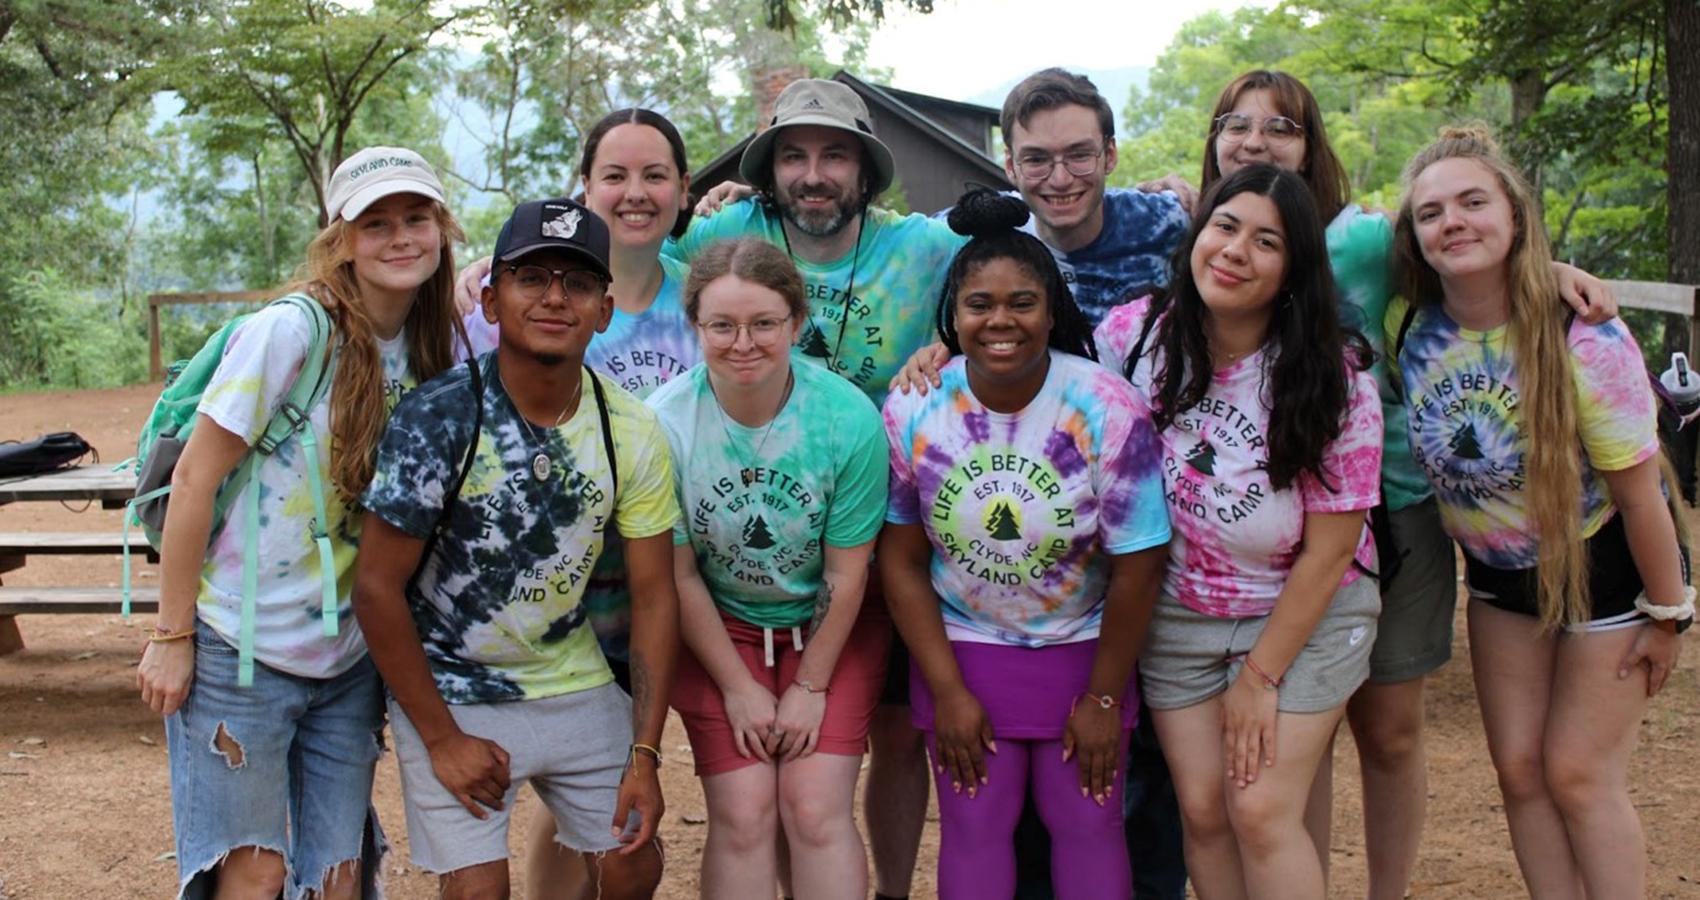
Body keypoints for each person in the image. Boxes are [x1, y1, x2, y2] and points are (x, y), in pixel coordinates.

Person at [1193, 69, 1624, 899]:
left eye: (1281, 126)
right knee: (1290, 741)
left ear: (1313, 146)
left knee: (1389, 731)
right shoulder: (1201, 233)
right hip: (1262, 519)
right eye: (1236, 123)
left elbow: (1464, 242)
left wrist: (1554, 266)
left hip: (1392, 508)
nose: (1256, 139)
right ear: (1213, 139)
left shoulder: (1358, 240)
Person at [135, 146, 464, 899]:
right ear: (341, 238)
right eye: (375, 223)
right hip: (237, 648)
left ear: (441, 229)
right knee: (254, 874)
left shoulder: (433, 342)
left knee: (338, 874)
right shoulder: (291, 332)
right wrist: (171, 635)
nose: (401, 237)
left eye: (417, 218)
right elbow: (193, 477)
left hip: (349, 657)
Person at [1390, 125, 1692, 898]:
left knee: (1578, 773)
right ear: (1413, 236)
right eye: (1431, 212)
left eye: (1472, 202)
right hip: (1498, 581)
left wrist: (1669, 614)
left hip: (1609, 566)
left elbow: (1640, 492)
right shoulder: (1416, 329)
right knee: (1521, 772)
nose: (1452, 221)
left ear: (1515, 217)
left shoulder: (1582, 337)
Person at [353, 197, 679, 900]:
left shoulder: (631, 431)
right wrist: (441, 738)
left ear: (605, 310)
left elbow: (656, 595)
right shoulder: (438, 418)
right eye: (533, 278)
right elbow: (377, 587)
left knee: (632, 860)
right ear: (492, 300)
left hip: (572, 674)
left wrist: (645, 755)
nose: (556, 297)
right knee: (478, 892)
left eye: (578, 282)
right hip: (451, 681)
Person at [1095, 164, 1384, 900]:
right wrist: (943, 352)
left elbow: (1330, 552)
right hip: (1181, 611)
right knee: (1204, 811)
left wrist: (1261, 678)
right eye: (1225, 226)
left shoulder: (1335, 377)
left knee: (1259, 810)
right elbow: (1040, 379)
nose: (1234, 251)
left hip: (1307, 609)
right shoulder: (1133, 336)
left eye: (1267, 242)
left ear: (1293, 272)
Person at [880, 189, 1172, 899]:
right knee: (974, 823)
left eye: (1022, 302)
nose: (1000, 320)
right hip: (965, 647)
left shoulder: (1104, 406)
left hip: (1083, 645)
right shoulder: (916, 405)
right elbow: (902, 558)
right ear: (953, 313)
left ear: (1052, 311)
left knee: (1088, 822)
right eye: (980, 304)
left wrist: (1104, 698)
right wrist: (947, 689)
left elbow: (1140, 562)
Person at [460, 107, 700, 900]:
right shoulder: (526, 297)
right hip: (537, 595)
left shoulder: (707, 300)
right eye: (615, 175)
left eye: (655, 174)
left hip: (657, 582)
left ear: (683, 189)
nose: (635, 192)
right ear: (585, 186)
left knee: (604, 800)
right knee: (559, 803)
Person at [648, 237, 890, 900]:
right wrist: (736, 686)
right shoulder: (665, 425)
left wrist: (810, 687)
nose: (743, 342)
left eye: (763, 324)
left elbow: (847, 574)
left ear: (796, 322)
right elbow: (680, 573)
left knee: (813, 812)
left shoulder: (846, 419)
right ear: (693, 324)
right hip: (719, 627)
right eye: (721, 325)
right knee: (746, 814)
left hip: (830, 627)